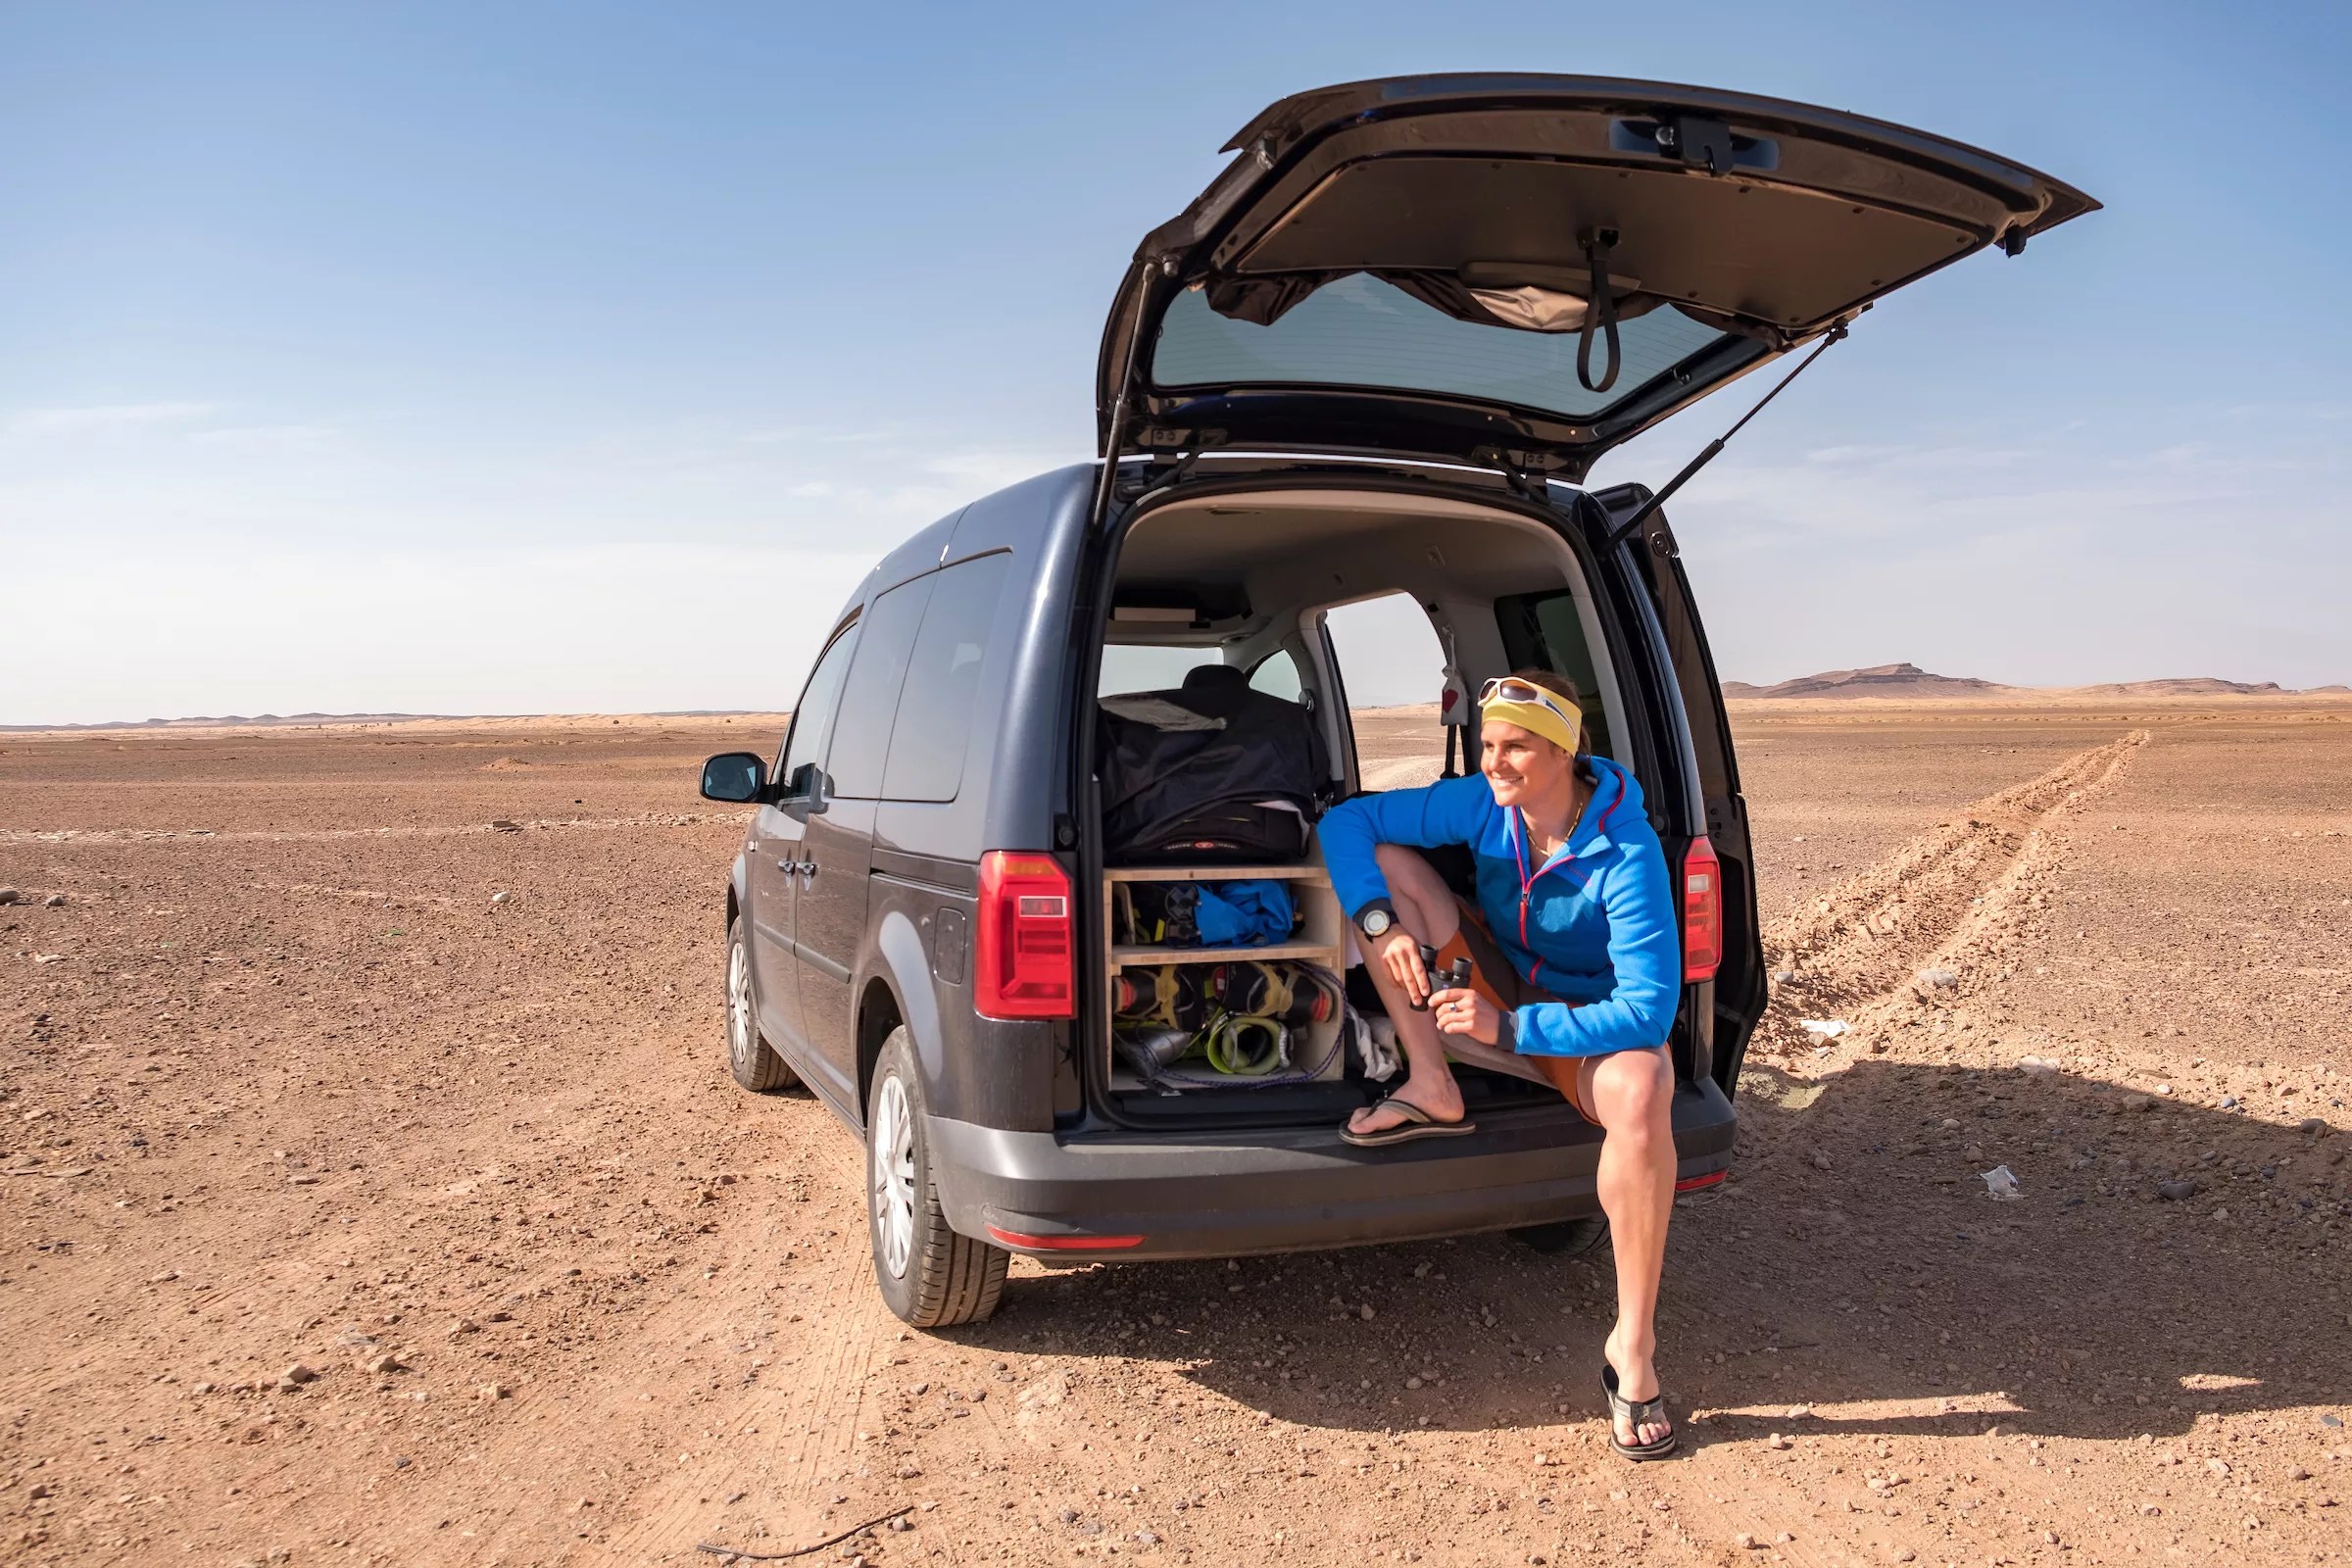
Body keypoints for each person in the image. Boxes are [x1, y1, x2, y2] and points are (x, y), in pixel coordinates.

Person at [1317, 667, 1683, 1460]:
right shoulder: (1484, 802)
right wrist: (1381, 924)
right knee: (1393, 864)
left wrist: (1514, 1028)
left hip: (1579, 1025)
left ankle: (1634, 1347)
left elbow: (1650, 1013)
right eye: (1488, 744)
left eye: (1515, 746)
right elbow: (1347, 823)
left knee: (1645, 1084)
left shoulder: (1627, 850)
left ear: (1563, 750)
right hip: (1500, 985)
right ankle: (1431, 1083)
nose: (1493, 762)